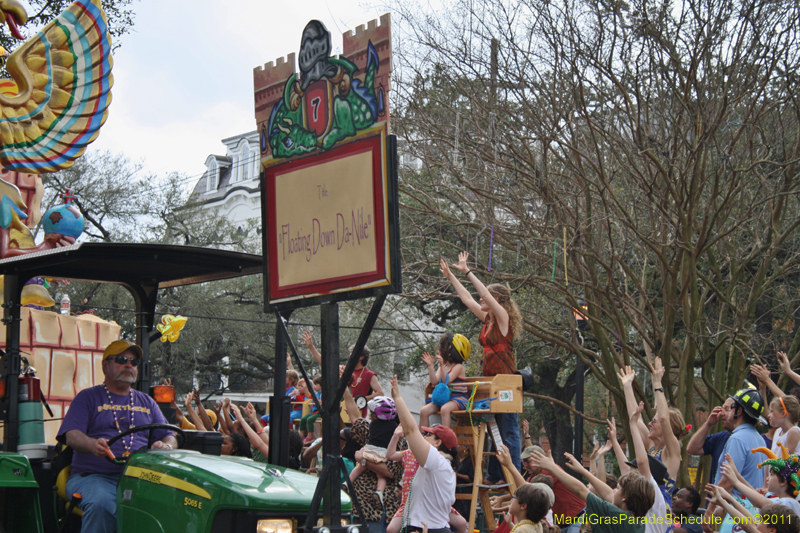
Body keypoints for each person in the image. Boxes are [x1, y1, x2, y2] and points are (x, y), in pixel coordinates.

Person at [57, 339, 177, 532]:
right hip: (93, 477)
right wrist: (92, 444)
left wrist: (167, 446)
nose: (129, 365)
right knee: (102, 504)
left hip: (139, 478)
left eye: (134, 362)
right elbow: (72, 435)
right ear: (105, 365)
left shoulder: (147, 402)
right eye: (122, 360)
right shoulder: (87, 397)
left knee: (173, 503)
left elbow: (169, 435)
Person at [441, 251, 523, 478]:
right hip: (491, 380)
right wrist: (452, 277)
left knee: (508, 430)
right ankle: (495, 475)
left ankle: (513, 473)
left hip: (506, 381)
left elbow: (483, 293)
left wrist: (467, 271)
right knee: (494, 430)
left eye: (485, 298)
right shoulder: (488, 320)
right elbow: (468, 299)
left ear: (495, 300)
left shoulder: (503, 318)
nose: (481, 300)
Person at [390, 374, 459, 533]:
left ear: (438, 443)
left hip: (428, 529)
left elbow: (411, 430)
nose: (424, 436)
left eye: (428, 435)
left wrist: (398, 398)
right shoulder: (444, 465)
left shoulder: (437, 461)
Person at [702, 388, 768, 533]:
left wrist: (710, 510)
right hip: (752, 514)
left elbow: (728, 480)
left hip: (735, 515)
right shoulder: (759, 439)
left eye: (732, 407)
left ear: (739, 411)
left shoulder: (737, 439)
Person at [303, 330, 384, 417]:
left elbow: (380, 393)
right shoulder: (343, 369)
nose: (350, 355)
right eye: (350, 353)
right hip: (340, 414)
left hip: (357, 415)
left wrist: (360, 399)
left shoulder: (370, 374)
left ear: (361, 357)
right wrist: (311, 347)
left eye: (353, 353)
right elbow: (325, 364)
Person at [349, 396, 399, 507]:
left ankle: (348, 482)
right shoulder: (394, 428)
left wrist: (364, 460)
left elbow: (356, 420)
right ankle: (379, 492)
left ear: (375, 416)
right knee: (381, 476)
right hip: (382, 454)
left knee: (360, 467)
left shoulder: (372, 425)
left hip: (369, 450)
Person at [419, 333, 471, 428]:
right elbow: (434, 381)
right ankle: (423, 435)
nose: (438, 351)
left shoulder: (458, 367)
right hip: (445, 399)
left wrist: (442, 366)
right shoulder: (443, 367)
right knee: (424, 411)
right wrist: (431, 366)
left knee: (445, 409)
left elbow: (447, 380)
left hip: (458, 399)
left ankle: (445, 435)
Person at [686, 400, 731, 489]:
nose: (721, 413)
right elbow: (692, 449)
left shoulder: (743, 440)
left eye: (726, 409)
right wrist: (708, 424)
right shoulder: (721, 437)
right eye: (721, 409)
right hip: (715, 495)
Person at [300, 374, 323, 444]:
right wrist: (305, 388)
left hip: (319, 413)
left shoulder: (323, 394)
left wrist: (319, 402)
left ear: (321, 385)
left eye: (316, 385)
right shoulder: (315, 393)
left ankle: (310, 436)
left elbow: (325, 402)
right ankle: (301, 436)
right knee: (303, 419)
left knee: (309, 420)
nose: (314, 386)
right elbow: (308, 395)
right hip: (312, 412)